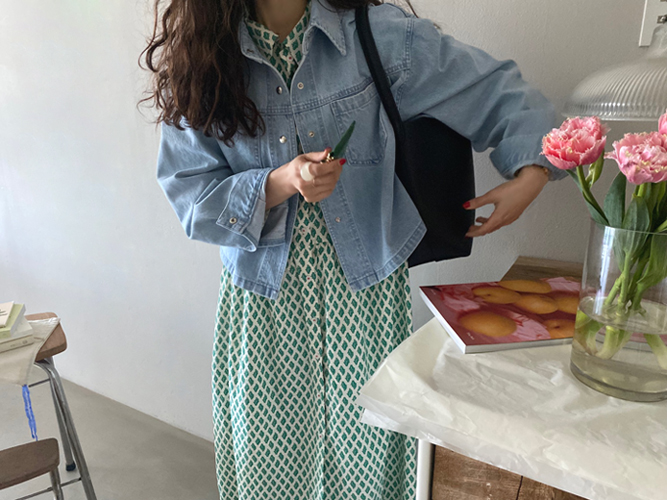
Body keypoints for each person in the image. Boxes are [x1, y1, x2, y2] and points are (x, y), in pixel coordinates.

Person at [142, 0, 564, 498]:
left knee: (373, 456)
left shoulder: (379, 37)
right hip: (262, 305)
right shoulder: (204, 59)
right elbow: (192, 199)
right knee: (269, 463)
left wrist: (532, 171)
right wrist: (280, 181)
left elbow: (496, 90)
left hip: (365, 299)